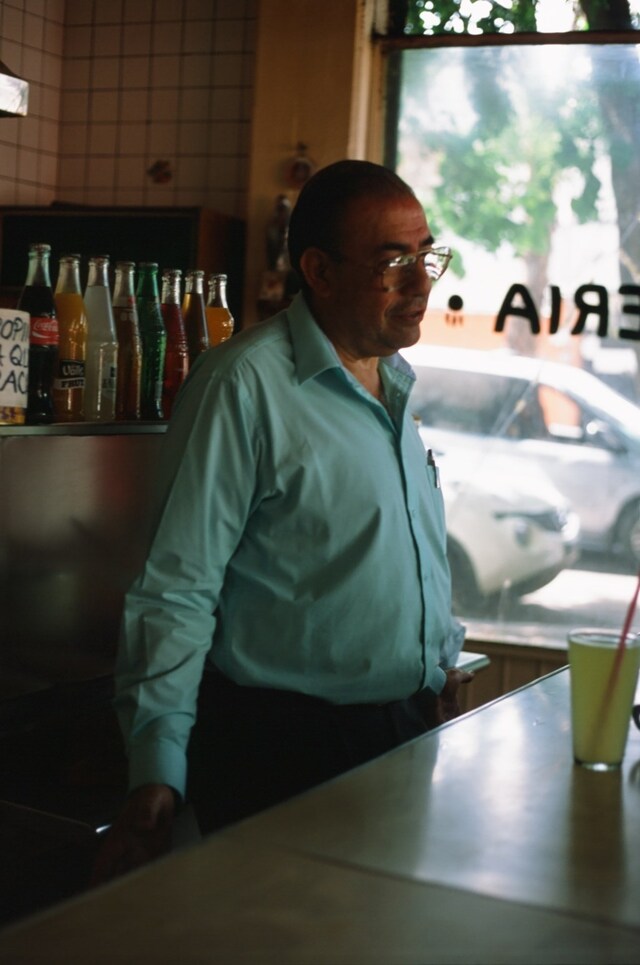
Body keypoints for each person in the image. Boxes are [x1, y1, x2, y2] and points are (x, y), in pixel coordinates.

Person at [92, 159, 471, 883]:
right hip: (285, 747)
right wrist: (156, 769)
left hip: (400, 733)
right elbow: (177, 586)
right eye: (394, 261)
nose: (423, 281)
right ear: (319, 271)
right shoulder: (244, 384)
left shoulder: (391, 383)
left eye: (426, 254)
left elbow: (389, 555)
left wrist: (440, 662)